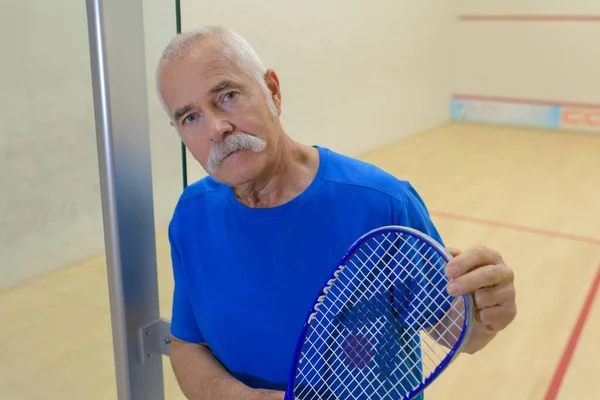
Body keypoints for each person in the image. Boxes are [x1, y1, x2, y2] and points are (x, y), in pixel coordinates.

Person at [156, 26, 517, 400]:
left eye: (227, 96)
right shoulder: (191, 215)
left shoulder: (381, 203)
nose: (217, 127)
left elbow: (461, 333)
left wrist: (489, 313)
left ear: (272, 92)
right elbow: (187, 345)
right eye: (190, 118)